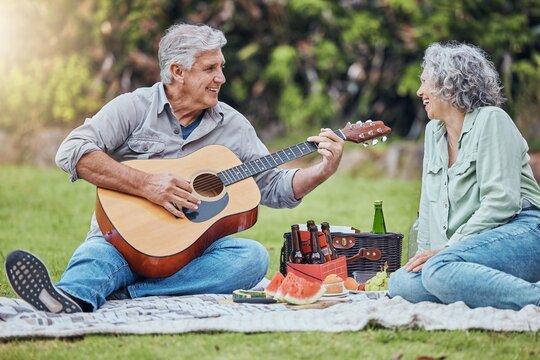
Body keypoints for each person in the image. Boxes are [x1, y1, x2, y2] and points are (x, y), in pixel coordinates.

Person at [4, 23, 345, 313]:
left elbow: (272, 187)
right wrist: (146, 185)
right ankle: (65, 299)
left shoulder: (234, 127)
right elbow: (72, 151)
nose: (221, 78)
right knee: (95, 260)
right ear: (177, 72)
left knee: (252, 258)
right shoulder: (133, 108)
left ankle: (131, 294)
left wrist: (321, 171)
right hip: (123, 242)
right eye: (210, 69)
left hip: (193, 253)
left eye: (221, 67)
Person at [388, 42, 540, 310]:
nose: (419, 91)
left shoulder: (492, 120)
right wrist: (423, 257)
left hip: (523, 230)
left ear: (450, 84)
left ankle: (533, 298)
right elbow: (428, 209)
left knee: (438, 269)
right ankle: (483, 284)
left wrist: (447, 251)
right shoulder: (434, 133)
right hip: (471, 247)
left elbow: (502, 202)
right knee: (401, 284)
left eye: (425, 82)